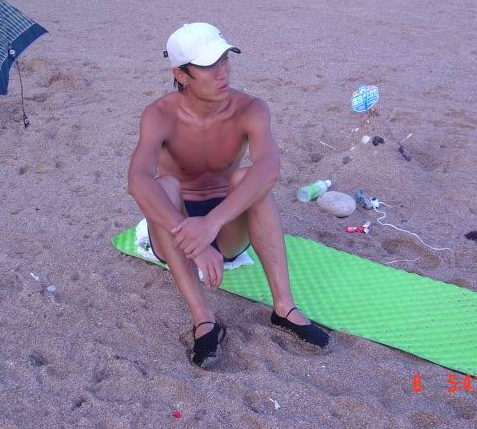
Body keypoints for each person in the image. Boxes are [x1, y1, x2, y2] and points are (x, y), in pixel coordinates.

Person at [127, 23, 330, 367]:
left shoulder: (250, 108)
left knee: (250, 178)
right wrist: (193, 239)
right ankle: (203, 318)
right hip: (175, 228)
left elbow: (270, 168)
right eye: (209, 66)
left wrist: (211, 224)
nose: (223, 73)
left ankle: (284, 307)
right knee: (164, 185)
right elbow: (137, 181)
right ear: (181, 74)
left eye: (225, 60)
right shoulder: (159, 114)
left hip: (227, 225)